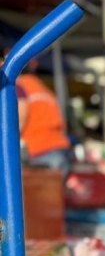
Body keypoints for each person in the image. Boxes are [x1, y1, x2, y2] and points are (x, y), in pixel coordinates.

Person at [2, 49, 71, 178]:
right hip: (60, 149)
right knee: (52, 197)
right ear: (33, 65)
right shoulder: (40, 86)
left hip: (38, 154)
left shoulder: (17, 86)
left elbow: (18, 121)